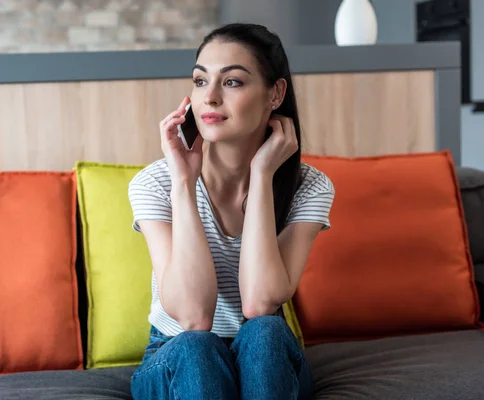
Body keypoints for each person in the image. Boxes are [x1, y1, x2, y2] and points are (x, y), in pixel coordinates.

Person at [128, 22, 335, 400]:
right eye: (200, 81)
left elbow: (259, 303)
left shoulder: (310, 186)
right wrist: (184, 184)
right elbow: (194, 317)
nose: (209, 98)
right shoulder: (155, 184)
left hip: (264, 359)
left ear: (275, 93)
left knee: (265, 331)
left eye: (233, 82)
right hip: (177, 355)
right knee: (197, 346)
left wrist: (262, 175)